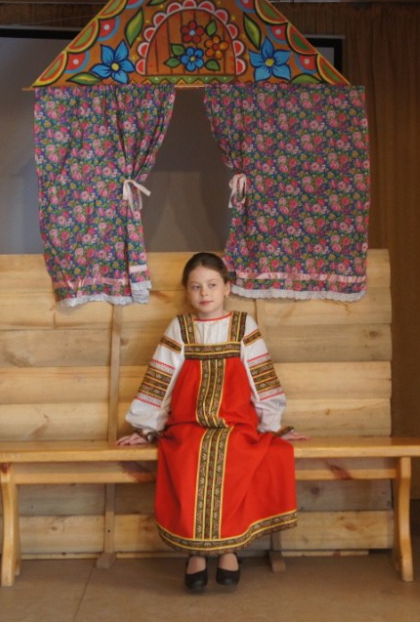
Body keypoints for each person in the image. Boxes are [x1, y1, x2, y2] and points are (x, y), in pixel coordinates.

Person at [116, 251, 306, 592]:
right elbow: (161, 378)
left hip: (236, 425)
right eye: (196, 286)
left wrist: (273, 424)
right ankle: (196, 553)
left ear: (227, 287)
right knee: (187, 457)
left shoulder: (243, 326)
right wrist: (146, 426)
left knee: (236, 456)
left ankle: (230, 549)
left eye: (212, 285)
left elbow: (261, 377)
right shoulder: (180, 328)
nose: (204, 293)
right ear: (187, 292)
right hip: (188, 425)